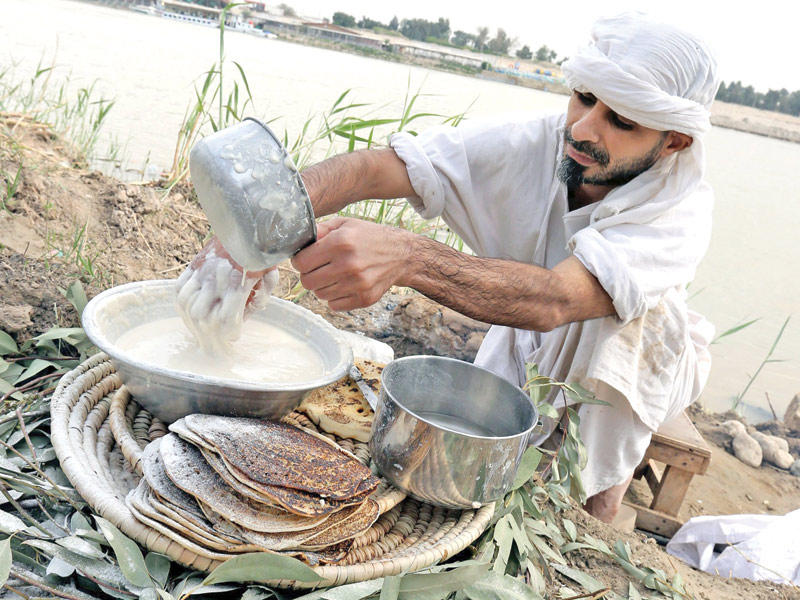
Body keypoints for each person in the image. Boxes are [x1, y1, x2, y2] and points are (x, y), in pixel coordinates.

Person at [177, 13, 720, 523]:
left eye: (620, 122)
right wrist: (253, 230)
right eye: (583, 98)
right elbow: (377, 168)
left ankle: (599, 508)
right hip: (531, 326)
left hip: (639, 355)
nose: (582, 129)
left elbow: (555, 300)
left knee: (619, 334)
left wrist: (409, 256)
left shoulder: (679, 213)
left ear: (673, 141)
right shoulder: (543, 139)